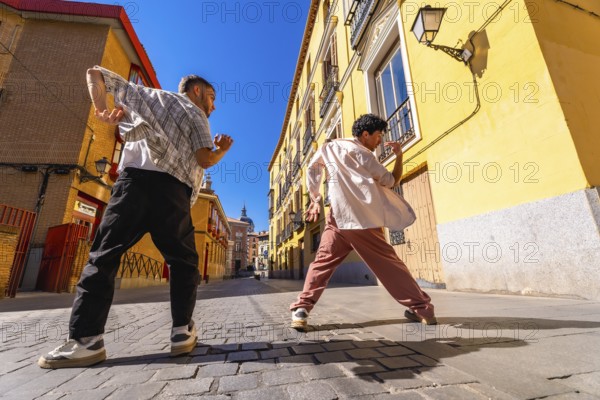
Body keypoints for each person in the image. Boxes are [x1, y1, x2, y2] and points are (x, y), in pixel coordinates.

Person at [38, 66, 233, 369]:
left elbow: (94, 73)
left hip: (132, 187)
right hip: (171, 192)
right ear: (196, 92)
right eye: (211, 96)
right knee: (183, 263)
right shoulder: (196, 115)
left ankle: (86, 341)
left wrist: (101, 109)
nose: (214, 104)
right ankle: (182, 331)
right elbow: (204, 159)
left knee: (102, 257)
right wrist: (221, 150)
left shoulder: (146, 95)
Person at [290, 114, 436, 330]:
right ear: (365, 134)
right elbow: (392, 181)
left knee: (321, 262)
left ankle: (302, 309)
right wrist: (398, 156)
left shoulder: (330, 146)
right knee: (389, 264)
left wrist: (315, 197)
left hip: (337, 216)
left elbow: (312, 168)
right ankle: (422, 309)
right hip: (363, 218)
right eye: (378, 136)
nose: (379, 141)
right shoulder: (366, 156)